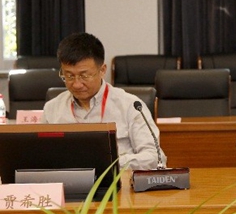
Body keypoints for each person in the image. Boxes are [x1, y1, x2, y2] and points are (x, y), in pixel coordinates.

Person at [42, 32, 166, 170]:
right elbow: (42, 157)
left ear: (102, 70)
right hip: (67, 182)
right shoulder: (52, 108)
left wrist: (107, 163)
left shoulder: (130, 106)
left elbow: (155, 157)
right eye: (69, 76)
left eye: (84, 76)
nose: (76, 84)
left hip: (118, 181)